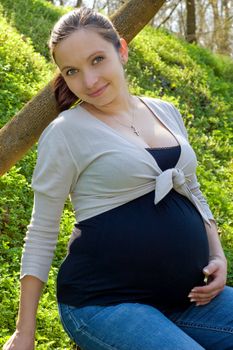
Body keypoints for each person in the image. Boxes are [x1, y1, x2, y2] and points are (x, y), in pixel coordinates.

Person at [3, 7, 233, 350]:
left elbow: (192, 189)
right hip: (104, 303)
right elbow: (41, 230)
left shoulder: (165, 111)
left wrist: (217, 255)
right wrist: (25, 332)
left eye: (97, 60)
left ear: (121, 50)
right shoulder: (66, 133)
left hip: (187, 298)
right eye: (72, 71)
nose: (89, 81)